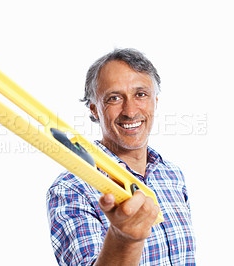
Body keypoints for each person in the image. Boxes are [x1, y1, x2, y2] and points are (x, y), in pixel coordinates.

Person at [46, 48, 196, 265]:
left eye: (141, 94)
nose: (130, 111)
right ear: (95, 109)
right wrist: (124, 238)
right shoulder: (71, 188)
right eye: (114, 98)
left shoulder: (172, 175)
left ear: (156, 101)